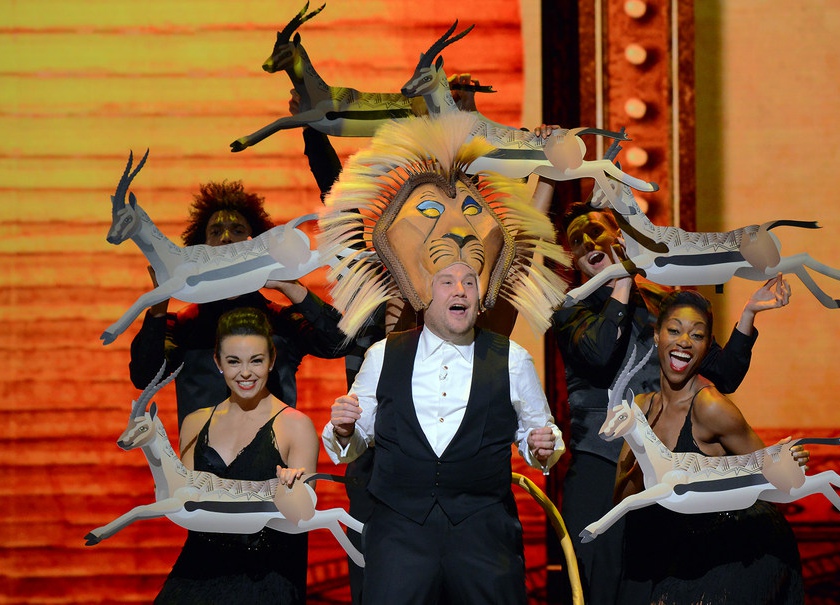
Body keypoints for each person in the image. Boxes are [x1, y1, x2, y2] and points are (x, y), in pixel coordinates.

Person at [553, 201, 792, 604]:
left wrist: (749, 315)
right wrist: (622, 278)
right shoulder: (570, 310)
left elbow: (725, 374)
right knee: (602, 585)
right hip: (600, 465)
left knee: (654, 583)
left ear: (620, 238)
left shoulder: (661, 305)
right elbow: (600, 354)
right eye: (577, 240)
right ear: (572, 260)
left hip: (660, 466)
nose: (589, 240)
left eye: (597, 230)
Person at [322, 262, 564, 604]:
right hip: (399, 536)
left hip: (484, 535)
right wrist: (344, 429)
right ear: (424, 296)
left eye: (469, 282)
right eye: (447, 282)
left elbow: (539, 432)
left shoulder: (512, 359)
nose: (460, 290)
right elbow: (354, 441)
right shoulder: (382, 355)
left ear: (479, 300)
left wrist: (542, 447)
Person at [615, 290, 805, 604]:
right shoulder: (641, 409)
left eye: (697, 335)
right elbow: (623, 501)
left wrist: (787, 463)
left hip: (743, 548)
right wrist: (641, 464)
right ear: (657, 336)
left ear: (706, 346)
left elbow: (778, 483)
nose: (684, 341)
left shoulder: (711, 408)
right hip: (684, 554)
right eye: (674, 330)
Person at [128, 180, 352, 427]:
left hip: (275, 460)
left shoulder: (281, 320)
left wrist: (289, 285)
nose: (226, 239)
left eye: (236, 230)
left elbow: (340, 342)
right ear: (200, 248)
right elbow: (144, 376)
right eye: (215, 232)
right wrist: (159, 299)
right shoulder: (182, 324)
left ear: (254, 243)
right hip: (202, 462)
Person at [155, 307, 320, 604]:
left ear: (271, 359)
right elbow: (186, 507)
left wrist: (292, 493)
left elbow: (301, 518)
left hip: (267, 578)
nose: (245, 373)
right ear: (218, 362)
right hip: (198, 571)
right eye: (234, 361)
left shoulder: (296, 425)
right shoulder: (195, 422)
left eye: (256, 360)